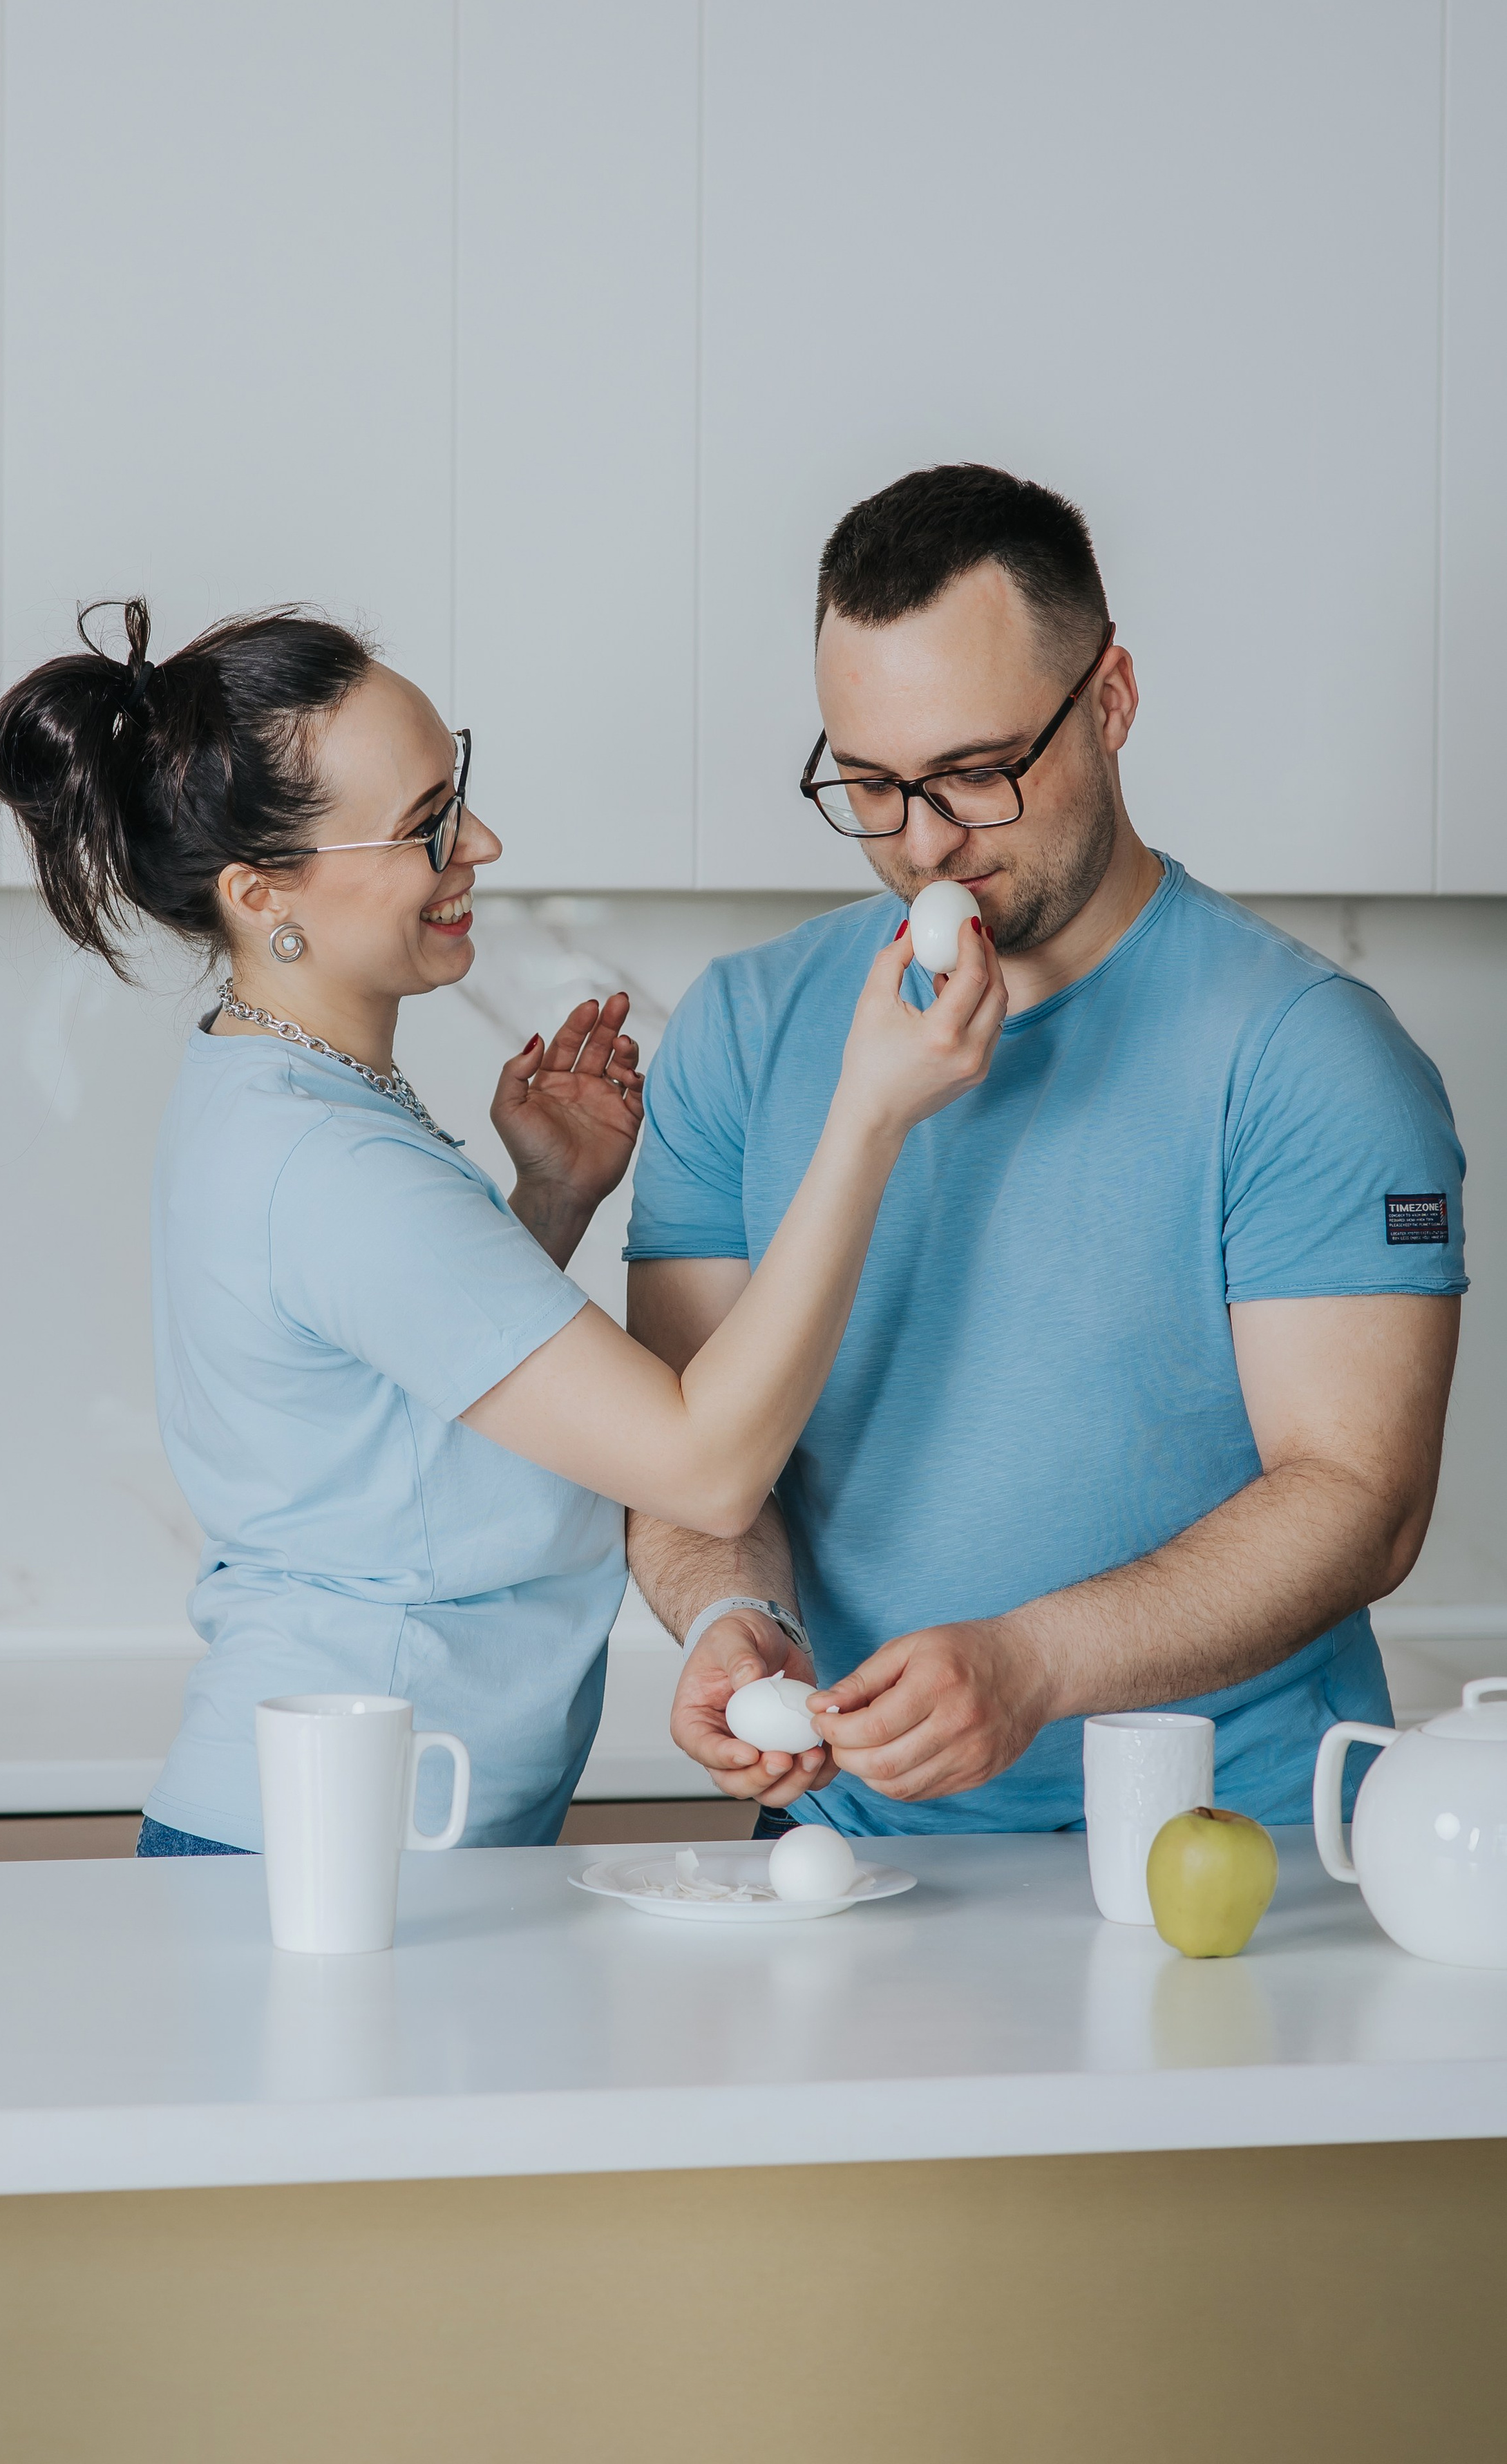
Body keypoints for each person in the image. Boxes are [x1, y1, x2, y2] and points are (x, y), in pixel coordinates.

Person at [0, 596, 1005, 1852]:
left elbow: (404, 1416)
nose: (484, 842)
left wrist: (551, 1200)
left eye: (456, 794)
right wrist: (871, 1116)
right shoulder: (328, 1161)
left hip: (364, 1832)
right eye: (427, 828)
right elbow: (706, 1465)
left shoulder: (286, 1095)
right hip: (338, 1853)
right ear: (264, 892)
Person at [625, 463, 1465, 1837]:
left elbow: (1357, 1498)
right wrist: (730, 1612)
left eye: (975, 773)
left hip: (1228, 1853)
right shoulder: (743, 1028)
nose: (925, 843)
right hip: (846, 1853)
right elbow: (686, 1454)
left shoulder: (1305, 1054)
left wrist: (1033, 1664)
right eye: (869, 785)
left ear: (1110, 699)